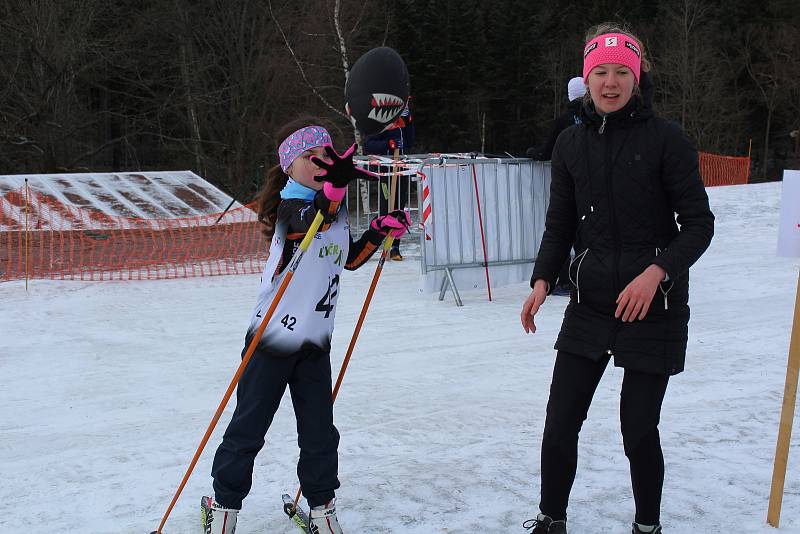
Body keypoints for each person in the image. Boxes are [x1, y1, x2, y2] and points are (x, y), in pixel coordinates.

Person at [520, 24, 714, 534]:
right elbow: (559, 224)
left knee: (638, 430)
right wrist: (543, 279)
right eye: (600, 72)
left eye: (621, 71)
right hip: (590, 303)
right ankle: (551, 517)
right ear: (587, 78)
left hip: (654, 306)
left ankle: (647, 525)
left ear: (637, 75)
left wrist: (657, 272)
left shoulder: (667, 140)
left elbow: (699, 224)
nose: (611, 82)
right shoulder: (569, 144)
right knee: (560, 423)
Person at [201, 120, 410, 534]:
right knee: (249, 428)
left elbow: (345, 258)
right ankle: (223, 508)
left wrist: (378, 232)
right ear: (289, 166)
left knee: (319, 433)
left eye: (325, 155)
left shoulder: (333, 207)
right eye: (308, 157)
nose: (319, 164)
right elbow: (308, 221)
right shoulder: (289, 206)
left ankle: (322, 510)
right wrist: (331, 195)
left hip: (315, 343)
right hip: (272, 340)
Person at [529, 76, 588, 295]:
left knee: (563, 229)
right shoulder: (599, 117)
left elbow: (547, 150)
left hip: (569, 183)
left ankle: (563, 280)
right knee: (586, 231)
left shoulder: (564, 120)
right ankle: (583, 277)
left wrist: (533, 153)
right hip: (594, 184)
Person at [364, 100, 415, 260]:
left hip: (401, 170)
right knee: (386, 208)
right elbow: (368, 145)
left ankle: (394, 247)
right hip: (385, 174)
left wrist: (408, 119)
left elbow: (410, 141)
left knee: (399, 208)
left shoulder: (403, 122)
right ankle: (373, 242)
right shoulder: (380, 120)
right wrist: (389, 143)